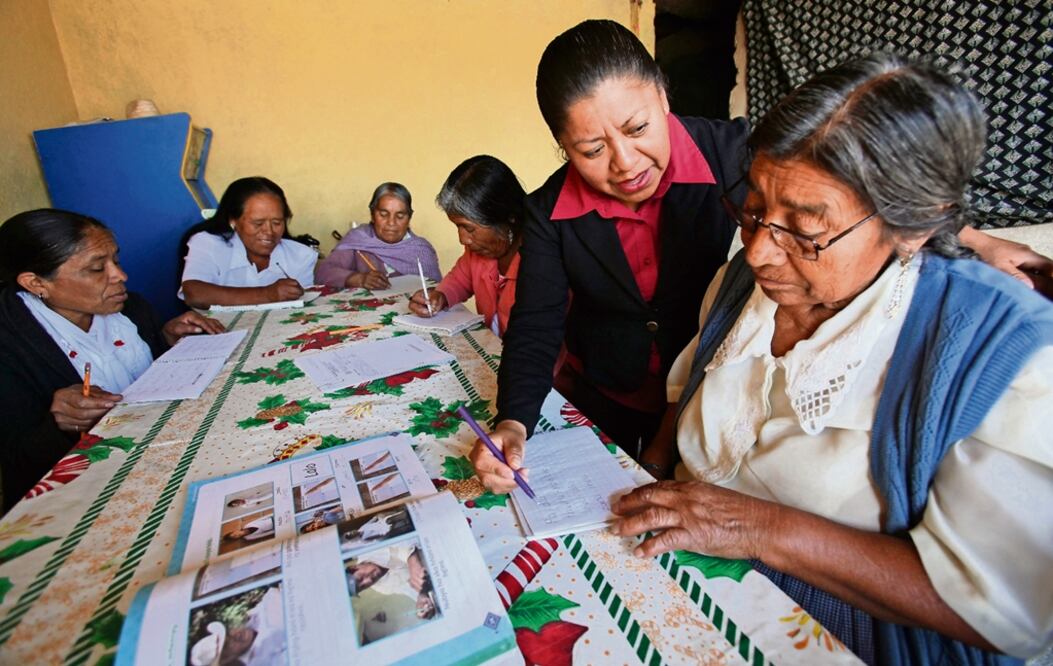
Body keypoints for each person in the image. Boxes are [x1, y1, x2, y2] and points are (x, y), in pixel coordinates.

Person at [471, 19, 1053, 489]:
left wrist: (972, 239)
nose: (625, 163)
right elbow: (536, 324)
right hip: (618, 393)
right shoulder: (548, 212)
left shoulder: (736, 153)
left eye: (639, 127)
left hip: (702, 387)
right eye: (591, 148)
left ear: (664, 95)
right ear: (562, 146)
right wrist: (514, 421)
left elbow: (854, 186)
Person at [608, 53, 1053, 664]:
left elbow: (1003, 612)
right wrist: (648, 473)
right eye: (755, 208)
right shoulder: (742, 284)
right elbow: (686, 394)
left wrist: (761, 528)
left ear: (914, 226)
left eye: (805, 229)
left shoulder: (1002, 352)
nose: (761, 251)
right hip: (680, 578)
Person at [0, 209, 224, 511]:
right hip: (82, 499)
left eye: (115, 260)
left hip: (161, 452)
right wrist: (58, 424)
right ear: (36, 283)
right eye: (96, 268)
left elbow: (145, 382)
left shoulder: (130, 308)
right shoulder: (10, 346)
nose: (121, 276)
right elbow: (18, 463)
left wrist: (166, 341)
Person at [408, 155, 527, 337]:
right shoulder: (478, 251)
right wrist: (439, 296)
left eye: (469, 228)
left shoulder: (540, 256)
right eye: (458, 226)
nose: (463, 239)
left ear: (507, 217)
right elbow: (460, 279)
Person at [180, 177, 317, 308]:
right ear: (233, 220)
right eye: (258, 223)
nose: (269, 231)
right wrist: (268, 294)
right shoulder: (208, 243)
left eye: (277, 223)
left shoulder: (301, 255)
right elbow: (194, 293)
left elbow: (303, 308)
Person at [315, 182, 441, 290]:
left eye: (400, 216)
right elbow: (323, 272)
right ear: (372, 215)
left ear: (409, 218)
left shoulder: (421, 250)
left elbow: (436, 289)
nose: (391, 223)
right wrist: (358, 279)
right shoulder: (359, 240)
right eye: (383, 214)